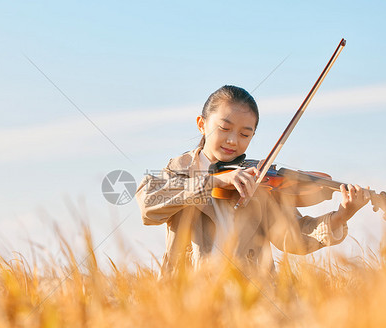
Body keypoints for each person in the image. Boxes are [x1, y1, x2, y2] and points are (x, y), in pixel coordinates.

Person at [135, 85, 369, 276]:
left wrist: (341, 216)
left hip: (252, 300)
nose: (233, 141)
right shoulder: (179, 170)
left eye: (245, 134)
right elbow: (148, 203)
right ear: (202, 124)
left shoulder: (258, 181)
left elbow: (294, 238)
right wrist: (214, 182)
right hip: (189, 301)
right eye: (224, 128)